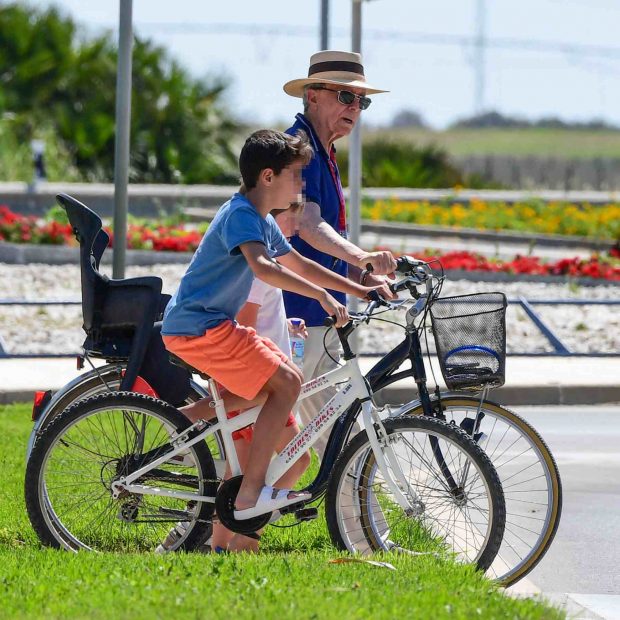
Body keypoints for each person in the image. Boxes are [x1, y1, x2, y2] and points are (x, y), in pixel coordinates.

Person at [161, 129, 381, 550]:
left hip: (208, 327)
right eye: (296, 176)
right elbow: (263, 267)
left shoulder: (259, 217)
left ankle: (208, 448)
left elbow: (295, 261)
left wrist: (359, 290)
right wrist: (318, 295)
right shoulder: (242, 214)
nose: (301, 185)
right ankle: (252, 490)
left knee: (285, 379)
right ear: (267, 177)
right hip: (198, 327)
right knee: (287, 382)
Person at [281, 50, 398, 458]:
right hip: (294, 319)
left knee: (340, 434)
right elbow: (307, 225)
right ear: (312, 95)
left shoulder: (323, 150)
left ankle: (366, 523)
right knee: (263, 435)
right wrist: (364, 258)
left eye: (361, 101)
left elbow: (332, 234)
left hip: (322, 317)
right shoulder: (297, 150)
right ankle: (208, 513)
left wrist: (364, 278)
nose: (354, 107)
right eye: (344, 96)